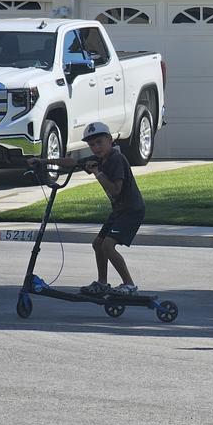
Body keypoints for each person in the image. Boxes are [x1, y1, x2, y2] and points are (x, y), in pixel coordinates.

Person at [27, 121, 145, 296]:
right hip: (119, 210)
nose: (96, 148)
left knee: (108, 246)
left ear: (110, 140)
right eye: (91, 144)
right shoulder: (98, 159)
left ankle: (129, 284)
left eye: (99, 142)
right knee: (97, 244)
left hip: (131, 210)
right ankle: (102, 283)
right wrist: (44, 161)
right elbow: (72, 162)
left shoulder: (116, 159)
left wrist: (97, 173)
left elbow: (115, 189)